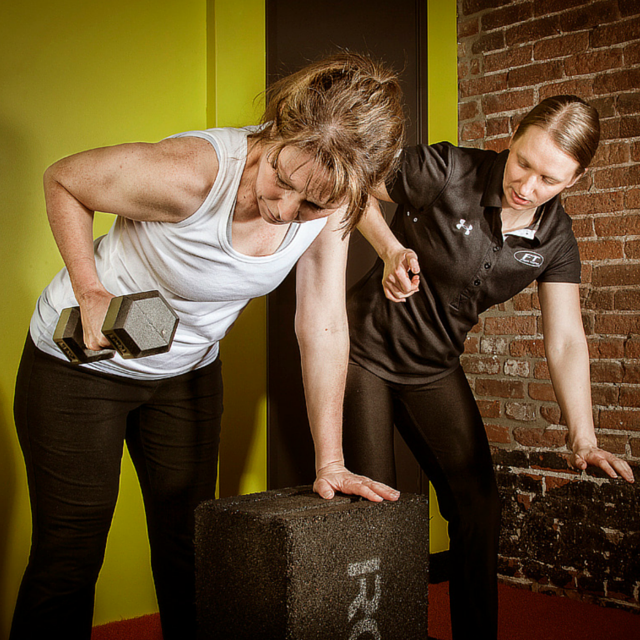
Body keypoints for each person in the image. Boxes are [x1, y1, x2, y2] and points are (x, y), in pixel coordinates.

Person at [11, 52, 404, 640]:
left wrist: (331, 461)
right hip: (81, 367)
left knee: (191, 549)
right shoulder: (191, 173)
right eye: (283, 180)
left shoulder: (334, 201)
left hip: (186, 374)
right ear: (277, 130)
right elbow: (63, 179)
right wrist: (89, 289)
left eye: (312, 205)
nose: (285, 211)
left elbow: (322, 322)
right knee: (70, 554)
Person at [343, 95, 635, 640]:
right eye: (523, 162)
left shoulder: (555, 240)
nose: (527, 185)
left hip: (433, 365)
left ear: (574, 179)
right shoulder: (448, 169)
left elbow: (565, 339)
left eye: (550, 179)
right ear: (513, 136)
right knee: (376, 509)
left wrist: (583, 436)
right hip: (361, 351)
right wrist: (388, 248)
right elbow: (349, 177)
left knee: (479, 508)